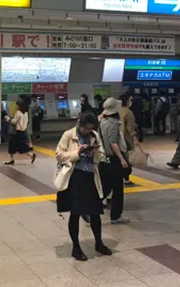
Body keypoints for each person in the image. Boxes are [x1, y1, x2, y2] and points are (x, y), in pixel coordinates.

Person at [56, 111, 113, 261]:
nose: (88, 131)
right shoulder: (69, 135)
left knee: (95, 212)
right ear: (79, 124)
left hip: (91, 177)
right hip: (75, 177)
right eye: (86, 129)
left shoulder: (94, 135)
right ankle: (76, 247)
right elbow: (59, 155)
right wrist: (78, 152)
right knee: (76, 213)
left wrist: (93, 154)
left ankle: (99, 243)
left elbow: (101, 154)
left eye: (91, 128)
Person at [98, 98, 130, 224]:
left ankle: (88, 209)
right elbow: (113, 143)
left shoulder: (102, 121)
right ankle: (116, 216)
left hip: (103, 159)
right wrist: (122, 159)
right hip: (112, 159)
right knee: (117, 189)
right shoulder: (113, 124)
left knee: (105, 188)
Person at [4, 100, 36, 165]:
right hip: (23, 131)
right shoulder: (26, 113)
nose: (16, 107)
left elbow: (13, 122)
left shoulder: (18, 113)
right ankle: (30, 155)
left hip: (17, 133)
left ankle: (12, 159)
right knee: (19, 146)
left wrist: (7, 119)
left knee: (14, 146)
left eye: (17, 105)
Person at [119, 94, 139, 186]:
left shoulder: (117, 111)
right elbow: (130, 128)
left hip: (117, 138)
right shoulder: (128, 112)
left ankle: (120, 177)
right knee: (126, 160)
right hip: (125, 139)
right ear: (127, 101)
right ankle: (126, 179)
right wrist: (135, 138)